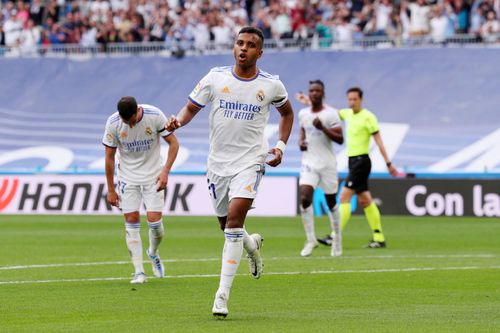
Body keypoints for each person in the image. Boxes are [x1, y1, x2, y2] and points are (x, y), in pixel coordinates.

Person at [166, 26, 294, 318]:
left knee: (234, 223)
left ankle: (221, 296)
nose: (243, 48)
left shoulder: (271, 85)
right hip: (218, 163)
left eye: (250, 45)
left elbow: (287, 113)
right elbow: (190, 108)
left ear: (260, 53)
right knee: (228, 228)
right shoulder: (215, 78)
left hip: (250, 160)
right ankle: (252, 245)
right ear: (233, 47)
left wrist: (281, 147)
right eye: (240, 43)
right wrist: (178, 122)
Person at [103, 96, 179, 284]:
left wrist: (165, 172)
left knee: (155, 224)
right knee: (131, 220)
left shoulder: (154, 115)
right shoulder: (113, 123)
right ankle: (139, 272)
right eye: (124, 121)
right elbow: (109, 157)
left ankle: (153, 252)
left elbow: (174, 144)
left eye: (131, 121)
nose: (128, 125)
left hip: (153, 175)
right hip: (128, 177)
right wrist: (111, 189)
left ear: (138, 111)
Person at [318, 87, 398, 249]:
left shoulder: (369, 117)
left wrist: (388, 163)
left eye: (355, 99)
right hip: (352, 162)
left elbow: (379, 142)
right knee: (365, 200)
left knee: (344, 198)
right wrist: (313, 103)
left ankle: (334, 235)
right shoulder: (347, 114)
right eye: (350, 99)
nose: (352, 102)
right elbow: (333, 112)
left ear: (361, 99)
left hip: (362, 162)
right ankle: (379, 238)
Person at [297, 80, 344, 257]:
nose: (314, 93)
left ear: (323, 93)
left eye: (317, 91)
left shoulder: (331, 114)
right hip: (309, 163)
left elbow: (340, 139)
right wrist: (300, 142)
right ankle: (311, 240)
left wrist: (322, 127)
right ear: (309, 94)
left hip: (328, 164)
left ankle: (337, 239)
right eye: (311, 91)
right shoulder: (303, 113)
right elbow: (303, 131)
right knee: (304, 198)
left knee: (331, 202)